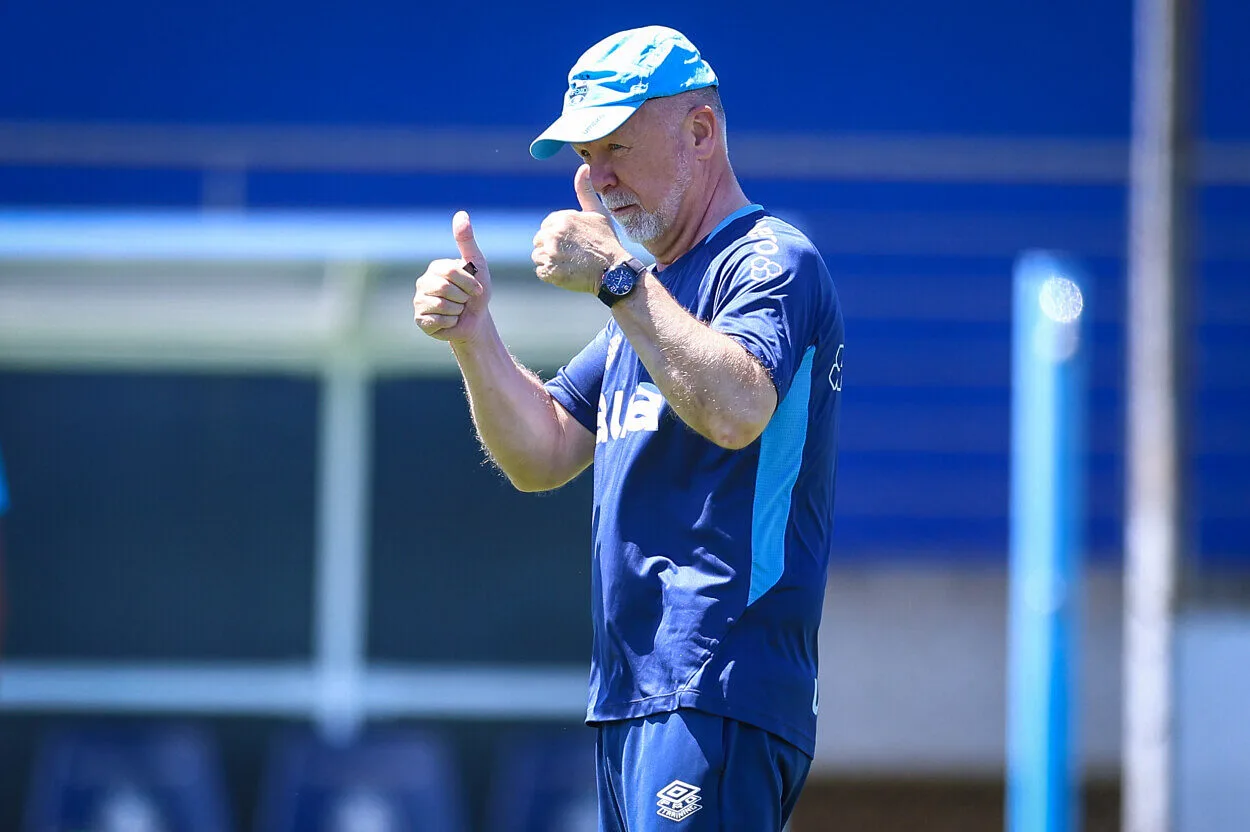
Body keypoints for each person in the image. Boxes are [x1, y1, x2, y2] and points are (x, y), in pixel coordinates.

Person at [412, 25, 844, 831]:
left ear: (701, 132)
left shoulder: (771, 261)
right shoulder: (650, 302)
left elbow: (737, 408)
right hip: (633, 695)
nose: (598, 177)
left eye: (615, 146)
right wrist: (474, 337)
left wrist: (617, 276)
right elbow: (541, 451)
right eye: (585, 156)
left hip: (718, 684)